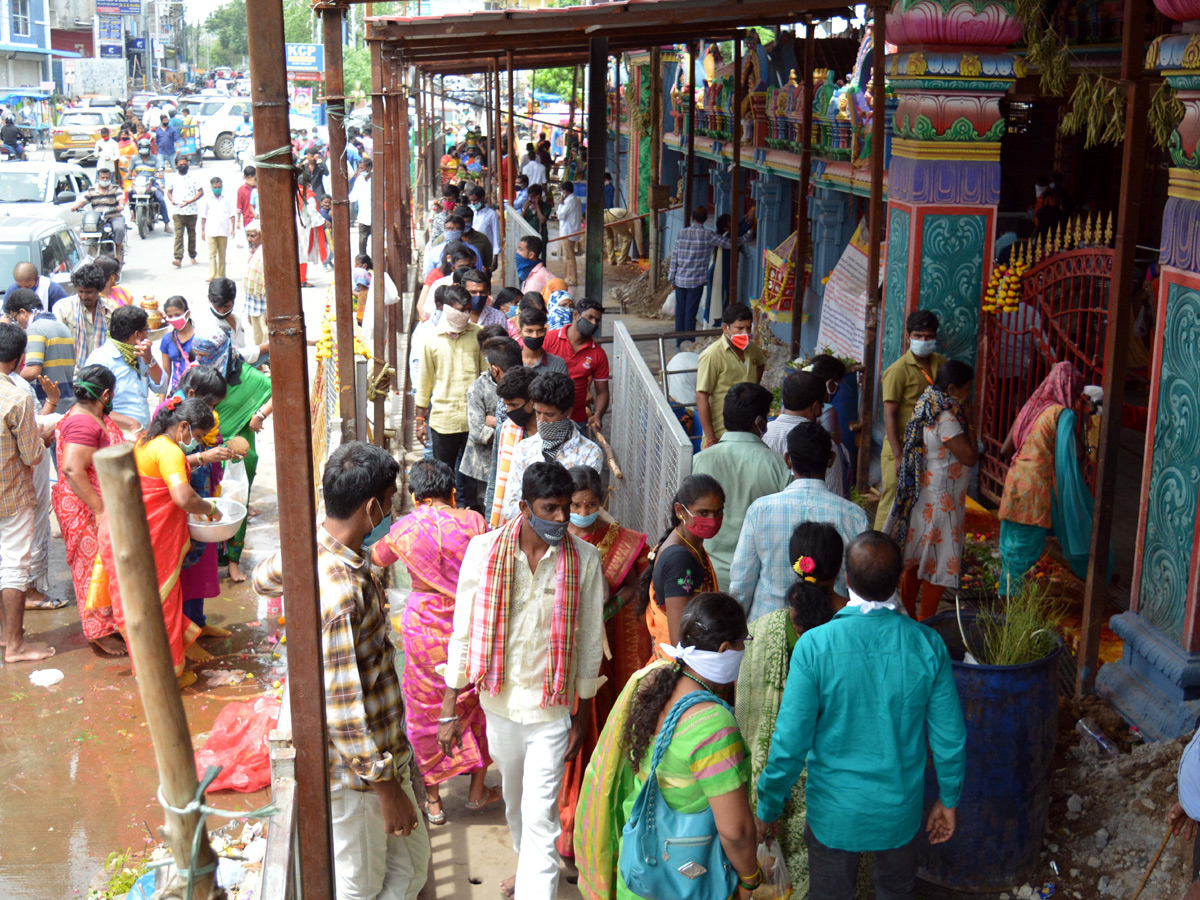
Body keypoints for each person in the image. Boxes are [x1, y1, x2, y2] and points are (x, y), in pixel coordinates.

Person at [254, 442, 430, 899]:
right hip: (359, 781)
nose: (392, 511)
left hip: (382, 760)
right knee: (361, 886)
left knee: (410, 869)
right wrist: (385, 788)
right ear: (372, 507)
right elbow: (342, 707)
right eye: (391, 502)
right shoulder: (341, 595)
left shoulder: (317, 553)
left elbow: (260, 577)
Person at [753, 531, 967, 900]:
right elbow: (949, 737)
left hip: (834, 814)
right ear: (901, 580)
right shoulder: (927, 645)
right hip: (899, 812)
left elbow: (790, 742)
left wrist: (768, 805)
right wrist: (948, 800)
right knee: (896, 891)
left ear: (846, 580)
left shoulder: (814, 647)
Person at [442, 461, 605, 900]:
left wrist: (580, 715)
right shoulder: (484, 551)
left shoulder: (586, 560)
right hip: (499, 704)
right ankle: (529, 863)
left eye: (565, 509)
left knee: (539, 815)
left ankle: (536, 887)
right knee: (515, 801)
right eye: (549, 509)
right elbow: (464, 630)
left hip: (551, 709)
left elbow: (590, 639)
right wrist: (448, 707)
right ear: (524, 507)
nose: (560, 519)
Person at [575, 592, 760, 900]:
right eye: (743, 642)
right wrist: (751, 878)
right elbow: (736, 831)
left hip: (639, 870)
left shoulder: (651, 680)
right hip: (686, 880)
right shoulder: (712, 724)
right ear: (726, 649)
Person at [370, 459, 500, 826]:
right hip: (469, 625)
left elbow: (377, 557)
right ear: (452, 492)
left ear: (414, 496)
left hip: (424, 629)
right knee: (473, 703)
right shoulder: (474, 522)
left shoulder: (405, 529)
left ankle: (434, 802)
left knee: (425, 712)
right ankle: (477, 791)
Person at [735, 522, 847, 894]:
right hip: (837, 786)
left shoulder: (763, 632)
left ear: (793, 564)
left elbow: (749, 718)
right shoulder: (853, 630)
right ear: (839, 568)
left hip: (776, 781)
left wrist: (764, 801)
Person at [556, 465, 651, 860]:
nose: (583, 509)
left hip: (605, 650)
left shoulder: (618, 541)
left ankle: (591, 816)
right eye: (576, 504)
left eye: (591, 503)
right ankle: (567, 816)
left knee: (600, 721)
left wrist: (607, 609)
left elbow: (633, 586)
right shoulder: (555, 537)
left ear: (603, 501)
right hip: (562, 648)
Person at [98, 397, 219, 687]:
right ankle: (166, 678)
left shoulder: (145, 440)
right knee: (158, 607)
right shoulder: (169, 451)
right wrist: (211, 509)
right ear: (184, 427)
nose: (196, 442)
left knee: (141, 605)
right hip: (147, 541)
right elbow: (183, 497)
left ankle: (156, 667)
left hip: (124, 531)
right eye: (198, 436)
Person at [730, 422, 870, 622]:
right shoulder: (854, 516)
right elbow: (860, 584)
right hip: (828, 628)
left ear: (788, 460)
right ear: (831, 460)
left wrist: (741, 630)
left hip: (767, 625)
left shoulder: (760, 510)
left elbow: (742, 581)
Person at [886, 360, 978, 619]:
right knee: (938, 563)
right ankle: (926, 622)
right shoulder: (947, 417)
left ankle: (905, 613)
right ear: (952, 388)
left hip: (925, 494)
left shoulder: (927, 401)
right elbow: (970, 457)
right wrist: (970, 420)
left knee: (917, 558)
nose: (968, 395)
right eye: (966, 389)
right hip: (942, 501)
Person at [998, 361, 1095, 593]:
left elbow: (1004, 450)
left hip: (1016, 480)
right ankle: (1009, 601)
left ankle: (1006, 591)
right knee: (1024, 546)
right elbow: (1078, 453)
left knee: (1010, 542)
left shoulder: (1031, 408)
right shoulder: (1063, 414)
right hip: (1036, 488)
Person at [52, 366, 126, 657]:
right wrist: (99, 509)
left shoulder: (89, 415)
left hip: (96, 503)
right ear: (106, 394)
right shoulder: (83, 423)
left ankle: (111, 622)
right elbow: (72, 468)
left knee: (106, 567)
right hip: (85, 506)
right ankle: (99, 632)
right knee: (92, 572)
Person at [692, 382, 791, 590]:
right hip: (758, 581)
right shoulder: (778, 466)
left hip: (708, 576)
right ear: (760, 421)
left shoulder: (698, 461)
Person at [192, 329, 272, 584]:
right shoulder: (197, 374)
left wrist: (259, 414)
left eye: (207, 356)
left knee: (237, 504)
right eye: (198, 355)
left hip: (237, 453)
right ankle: (208, 559)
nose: (202, 361)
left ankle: (233, 562)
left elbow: (278, 388)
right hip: (202, 452)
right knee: (203, 506)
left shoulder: (247, 376)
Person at [170, 365, 236, 655]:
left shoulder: (198, 416)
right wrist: (202, 456)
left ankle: (197, 621)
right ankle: (184, 632)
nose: (212, 411)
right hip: (183, 499)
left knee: (200, 562)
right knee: (183, 567)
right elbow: (173, 458)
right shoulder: (172, 415)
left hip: (203, 493)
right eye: (209, 405)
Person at [0, 324, 50, 662]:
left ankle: (5, 637)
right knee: (14, 566)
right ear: (19, 361)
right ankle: (15, 645)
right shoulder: (18, 399)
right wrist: (45, 438)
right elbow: (32, 456)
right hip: (11, 494)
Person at [639, 473, 726, 653]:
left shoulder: (690, 545)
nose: (712, 520)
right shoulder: (679, 559)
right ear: (680, 511)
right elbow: (679, 641)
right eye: (703, 513)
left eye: (718, 512)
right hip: (684, 666)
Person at [500, 371, 603, 521]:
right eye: (537, 413)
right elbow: (510, 506)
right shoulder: (524, 449)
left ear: (567, 412)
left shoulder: (589, 453)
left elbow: (583, 506)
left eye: (550, 415)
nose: (542, 420)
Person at [877, 311, 944, 529]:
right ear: (908, 337)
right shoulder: (897, 371)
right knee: (891, 502)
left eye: (928, 336)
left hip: (929, 446)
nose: (923, 341)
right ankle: (875, 551)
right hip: (902, 447)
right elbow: (889, 414)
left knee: (922, 504)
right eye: (918, 336)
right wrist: (898, 456)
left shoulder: (940, 364)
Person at [416, 285, 483, 478]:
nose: (466, 314)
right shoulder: (430, 339)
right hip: (443, 420)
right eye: (461, 310)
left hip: (473, 420)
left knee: (471, 478)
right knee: (444, 475)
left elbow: (486, 377)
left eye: (468, 310)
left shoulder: (478, 334)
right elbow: (424, 382)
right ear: (447, 309)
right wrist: (420, 421)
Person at [669, 206, 754, 339]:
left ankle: (679, 340)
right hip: (696, 282)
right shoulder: (708, 235)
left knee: (680, 311)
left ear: (692, 218)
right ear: (705, 219)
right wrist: (747, 236)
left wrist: (672, 279)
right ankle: (688, 339)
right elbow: (731, 243)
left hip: (680, 280)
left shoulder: (681, 233)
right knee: (690, 312)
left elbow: (675, 257)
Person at [85, 305, 169, 432]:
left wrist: (150, 359)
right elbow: (91, 406)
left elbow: (161, 386)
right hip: (116, 435)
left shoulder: (141, 354)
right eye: (146, 330)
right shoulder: (100, 360)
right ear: (137, 335)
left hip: (141, 432)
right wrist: (132, 424)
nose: (147, 334)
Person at [764, 370, 844, 496]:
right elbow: (833, 492)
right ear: (816, 407)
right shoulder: (823, 442)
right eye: (822, 406)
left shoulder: (763, 434)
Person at [696, 303, 765, 447]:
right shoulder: (712, 355)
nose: (745, 333)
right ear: (726, 328)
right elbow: (702, 396)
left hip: (748, 434)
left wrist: (753, 388)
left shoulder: (753, 349)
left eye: (748, 328)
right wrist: (710, 438)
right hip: (721, 435)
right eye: (739, 328)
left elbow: (760, 364)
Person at [463, 337, 519, 515]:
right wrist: (512, 431)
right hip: (485, 467)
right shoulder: (478, 388)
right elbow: (478, 432)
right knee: (489, 507)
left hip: (516, 464)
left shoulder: (526, 384)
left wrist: (496, 422)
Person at [541, 296, 608, 430]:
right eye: (590, 318)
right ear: (576, 315)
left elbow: (602, 392)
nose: (594, 323)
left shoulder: (598, 354)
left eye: (597, 320)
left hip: (577, 421)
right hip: (544, 418)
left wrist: (597, 415)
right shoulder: (549, 338)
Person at [4, 288, 75, 414]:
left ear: (23, 312)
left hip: (49, 404)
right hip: (69, 400)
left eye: (15, 318)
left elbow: (32, 371)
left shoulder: (35, 329)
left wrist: (7, 381)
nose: (17, 324)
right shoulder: (61, 325)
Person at [196, 277, 268, 368]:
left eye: (227, 306)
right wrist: (262, 349)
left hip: (242, 365)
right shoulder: (206, 323)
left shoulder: (236, 316)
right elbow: (230, 355)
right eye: (217, 308)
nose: (222, 312)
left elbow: (242, 346)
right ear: (209, 299)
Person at [58, 263, 116, 366]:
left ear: (98, 290)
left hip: (102, 371)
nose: (84, 297)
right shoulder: (63, 308)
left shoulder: (110, 310)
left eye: (89, 292)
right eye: (80, 292)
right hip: (73, 371)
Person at [70, 167, 126, 259]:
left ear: (110, 178)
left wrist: (121, 206)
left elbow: (121, 199)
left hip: (113, 215)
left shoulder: (115, 188)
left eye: (107, 178)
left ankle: (118, 252)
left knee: (119, 228)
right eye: (102, 178)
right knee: (84, 230)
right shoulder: (92, 190)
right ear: (98, 178)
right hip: (97, 217)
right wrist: (76, 206)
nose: (105, 180)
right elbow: (84, 201)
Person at [167, 156, 203, 268]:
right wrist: (172, 200)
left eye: (184, 163)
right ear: (176, 165)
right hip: (178, 211)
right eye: (180, 164)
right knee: (179, 235)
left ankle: (192, 256)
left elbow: (200, 192)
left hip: (191, 211)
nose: (183, 165)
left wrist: (190, 201)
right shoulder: (173, 178)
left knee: (191, 234)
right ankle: (178, 258)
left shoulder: (193, 177)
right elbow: (169, 192)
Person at [200, 176, 238, 282]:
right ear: (211, 187)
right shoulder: (207, 199)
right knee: (212, 254)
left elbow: (232, 214)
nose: (217, 189)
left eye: (219, 187)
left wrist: (233, 228)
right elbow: (203, 215)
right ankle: (212, 274)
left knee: (222, 254)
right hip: (211, 230)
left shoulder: (227, 199)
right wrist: (202, 230)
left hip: (223, 230)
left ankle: (221, 275)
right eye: (215, 187)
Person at [158, 295, 195, 395]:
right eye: (170, 316)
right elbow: (166, 373)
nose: (174, 319)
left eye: (177, 315)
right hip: (177, 394)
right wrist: (161, 402)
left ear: (187, 314)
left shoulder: (199, 338)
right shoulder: (167, 340)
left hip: (197, 392)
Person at [516, 306, 569, 375]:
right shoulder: (511, 362)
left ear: (545, 331)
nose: (535, 335)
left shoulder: (558, 364)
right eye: (529, 331)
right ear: (520, 333)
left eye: (539, 331)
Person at [241, 222, 268, 345]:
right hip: (254, 305)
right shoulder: (253, 253)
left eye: (253, 236)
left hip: (264, 306)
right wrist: (248, 311)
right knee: (257, 338)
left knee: (266, 337)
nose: (249, 239)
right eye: (248, 236)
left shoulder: (265, 254)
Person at [555, 182, 583, 289]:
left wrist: (560, 205)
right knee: (566, 256)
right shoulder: (574, 200)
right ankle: (567, 277)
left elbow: (561, 215)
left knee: (569, 256)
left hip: (568, 232)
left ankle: (572, 279)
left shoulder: (569, 201)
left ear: (565, 191)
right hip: (570, 230)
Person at [456, 205, 494, 273]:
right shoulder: (445, 239)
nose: (464, 225)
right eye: (462, 223)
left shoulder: (483, 240)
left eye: (467, 222)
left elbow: (487, 265)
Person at [467, 185, 500, 254]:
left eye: (475, 200)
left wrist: (495, 254)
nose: (473, 203)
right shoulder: (470, 211)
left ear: (482, 198)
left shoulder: (491, 214)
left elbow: (496, 236)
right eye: (471, 200)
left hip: (485, 250)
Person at [350, 157, 373, 255]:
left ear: (369, 168)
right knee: (362, 242)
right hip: (363, 217)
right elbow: (352, 197)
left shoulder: (376, 180)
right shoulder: (359, 180)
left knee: (375, 242)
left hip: (375, 216)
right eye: (359, 168)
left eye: (362, 168)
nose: (361, 170)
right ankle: (363, 261)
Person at [522, 185, 552, 250]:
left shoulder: (546, 206)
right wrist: (524, 210)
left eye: (532, 197)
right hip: (528, 236)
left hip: (540, 237)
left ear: (539, 196)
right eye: (529, 196)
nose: (530, 199)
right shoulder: (526, 206)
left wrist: (537, 205)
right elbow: (520, 220)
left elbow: (542, 220)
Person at [236, 165, 257, 229]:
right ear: (245, 177)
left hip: (258, 219)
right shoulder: (241, 189)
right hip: (247, 220)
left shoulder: (259, 189)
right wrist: (238, 221)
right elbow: (239, 206)